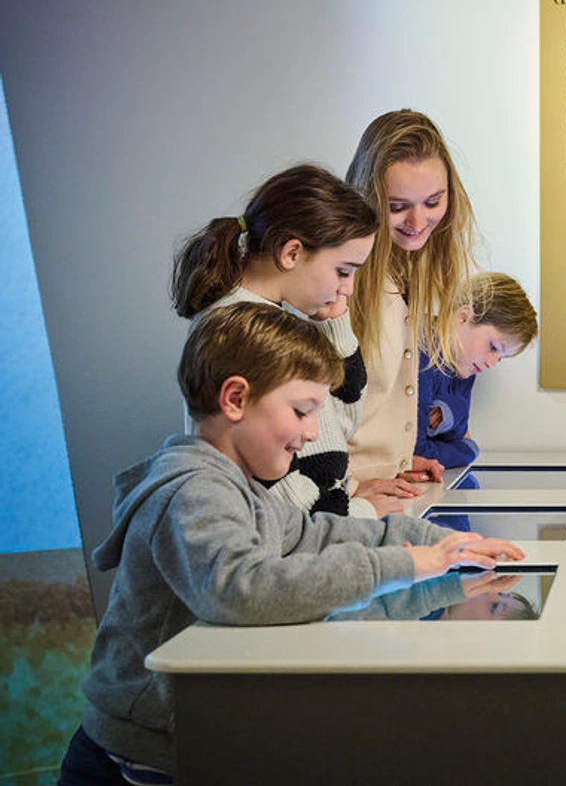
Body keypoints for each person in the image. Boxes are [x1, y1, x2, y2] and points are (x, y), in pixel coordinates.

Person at [58, 303, 524, 785]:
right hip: (144, 748)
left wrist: (443, 543)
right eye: (302, 411)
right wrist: (405, 564)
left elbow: (316, 533)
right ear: (235, 399)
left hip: (175, 734)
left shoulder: (239, 486)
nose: (308, 433)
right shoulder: (196, 492)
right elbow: (241, 589)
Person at [170, 164, 419, 518]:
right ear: (291, 253)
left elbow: (338, 427)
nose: (347, 288)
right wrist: (358, 511)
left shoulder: (273, 319)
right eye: (343, 271)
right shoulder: (242, 332)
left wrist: (336, 323)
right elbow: (284, 503)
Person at [344, 109, 479, 487]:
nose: (418, 223)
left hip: (384, 492)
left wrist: (398, 458)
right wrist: (354, 484)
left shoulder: (406, 273)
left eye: (433, 203)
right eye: (397, 207)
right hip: (343, 504)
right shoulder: (340, 282)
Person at [416, 271, 538, 470]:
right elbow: (416, 453)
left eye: (501, 358)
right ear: (463, 317)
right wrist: (470, 450)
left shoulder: (463, 365)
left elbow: (456, 433)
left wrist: (447, 413)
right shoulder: (422, 353)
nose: (491, 363)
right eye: (493, 347)